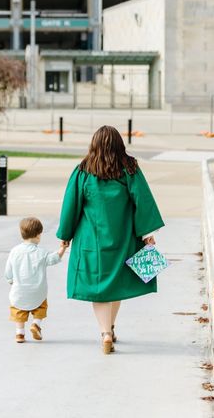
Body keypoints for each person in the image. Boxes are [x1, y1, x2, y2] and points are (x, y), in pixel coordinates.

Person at [56, 125, 164, 354]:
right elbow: (142, 200)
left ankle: (106, 333)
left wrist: (65, 236)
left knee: (99, 288)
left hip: (91, 241)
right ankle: (111, 328)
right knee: (115, 285)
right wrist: (147, 234)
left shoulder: (83, 170)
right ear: (119, 144)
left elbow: (71, 206)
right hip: (123, 238)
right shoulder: (130, 168)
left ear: (93, 144)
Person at [5, 216, 67, 344]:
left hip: (20, 291)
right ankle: (36, 324)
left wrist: (10, 280)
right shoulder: (42, 252)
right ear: (38, 235)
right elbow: (54, 259)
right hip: (38, 291)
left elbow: (8, 270)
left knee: (18, 310)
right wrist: (63, 248)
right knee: (41, 307)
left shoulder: (14, 251)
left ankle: (20, 334)